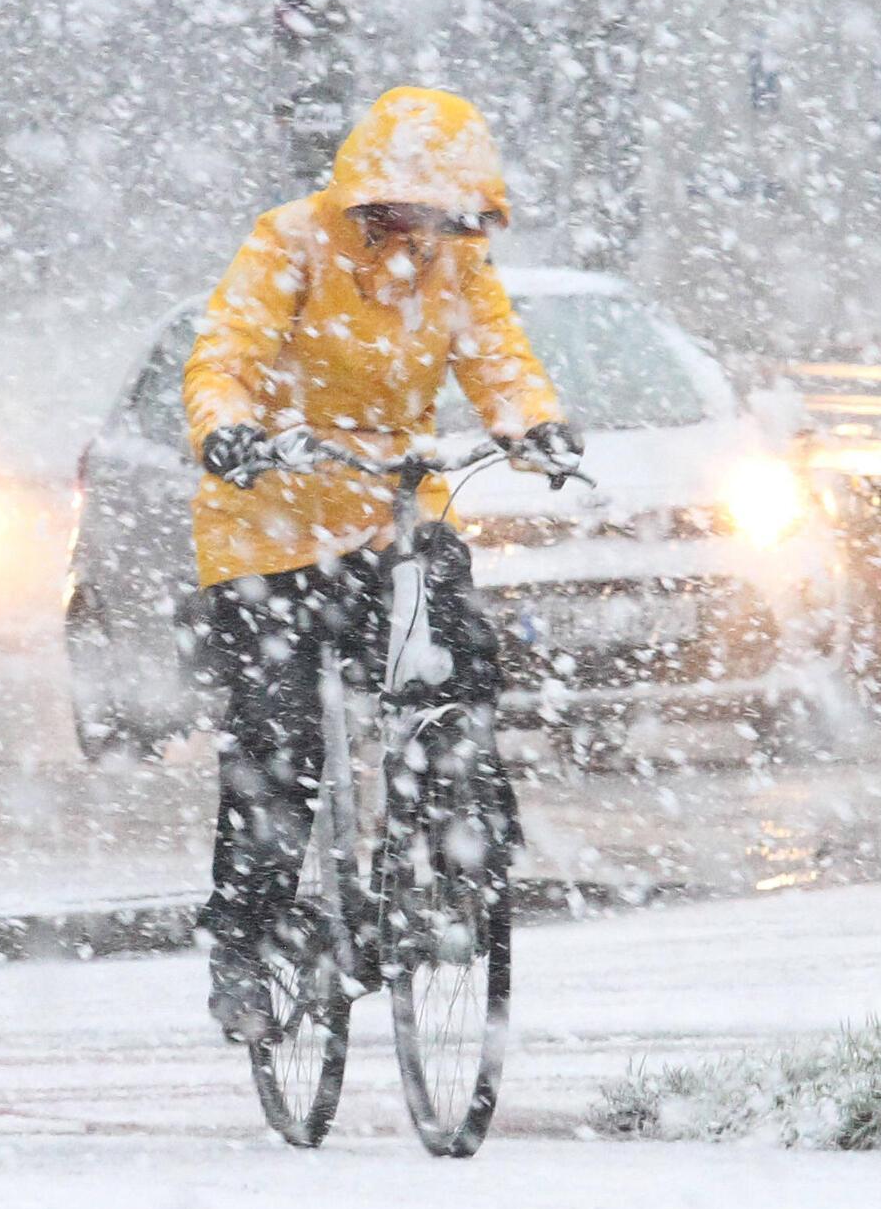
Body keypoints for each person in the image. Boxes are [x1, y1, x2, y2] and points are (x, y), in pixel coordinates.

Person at [181, 86, 584, 1041]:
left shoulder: (457, 266)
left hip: (388, 513)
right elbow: (225, 357)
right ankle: (245, 942)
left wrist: (535, 426)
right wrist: (231, 429)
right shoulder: (289, 242)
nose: (437, 228)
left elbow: (500, 362)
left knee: (458, 663)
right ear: (376, 193)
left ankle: (456, 838)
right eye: (423, 204)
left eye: (451, 210)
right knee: (276, 745)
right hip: (269, 525)